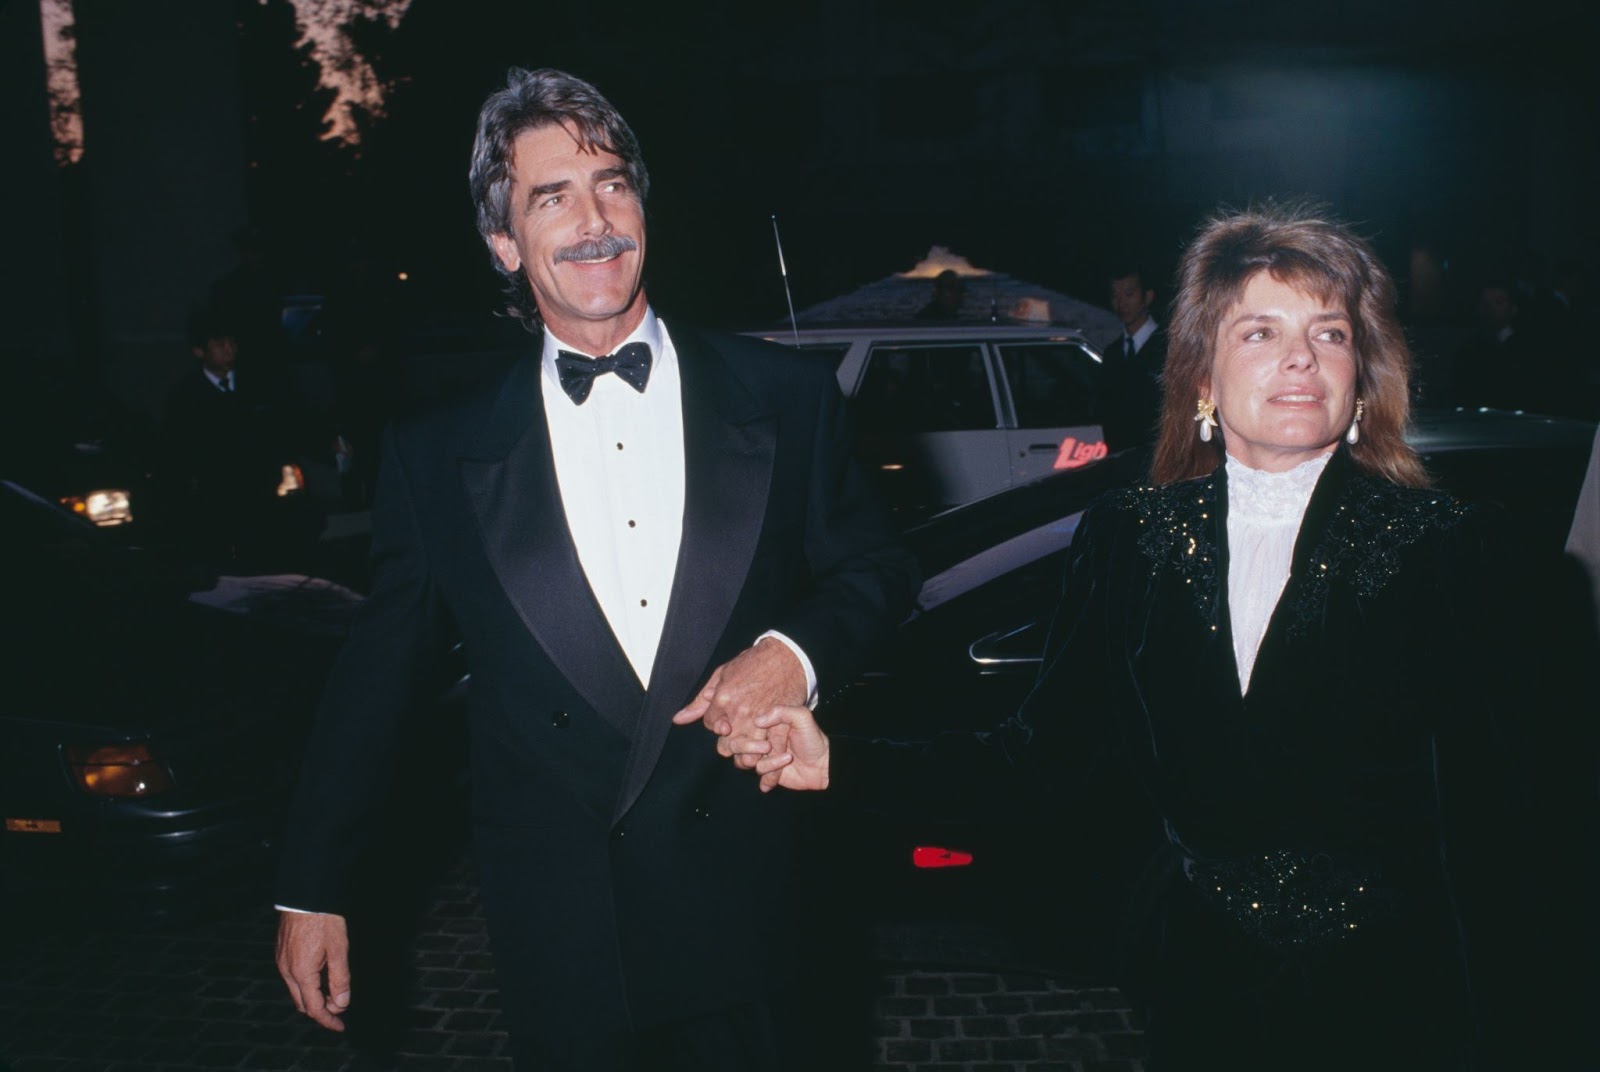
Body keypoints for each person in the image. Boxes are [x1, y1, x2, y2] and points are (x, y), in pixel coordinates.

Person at [698, 204, 1597, 1070]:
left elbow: (1521, 834)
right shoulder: (1132, 540)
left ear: (1361, 372)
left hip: (1406, 1011)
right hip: (1203, 1002)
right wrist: (841, 760)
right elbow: (1041, 759)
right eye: (1260, 332)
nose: (1301, 359)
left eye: (1329, 332)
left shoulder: (1455, 552)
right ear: (1202, 375)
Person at [272, 67, 918, 1071]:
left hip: (752, 908)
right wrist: (313, 880)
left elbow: (876, 567)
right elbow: (380, 671)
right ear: (502, 241)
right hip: (568, 931)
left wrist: (793, 654)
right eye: (551, 196)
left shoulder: (786, 395)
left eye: (612, 183)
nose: (594, 220)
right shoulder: (437, 449)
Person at [1098, 264, 1168, 452]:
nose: (1121, 303)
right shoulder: (1112, 354)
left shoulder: (1168, 349)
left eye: (1129, 294)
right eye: (1115, 295)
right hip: (1121, 461)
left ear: (1148, 297)